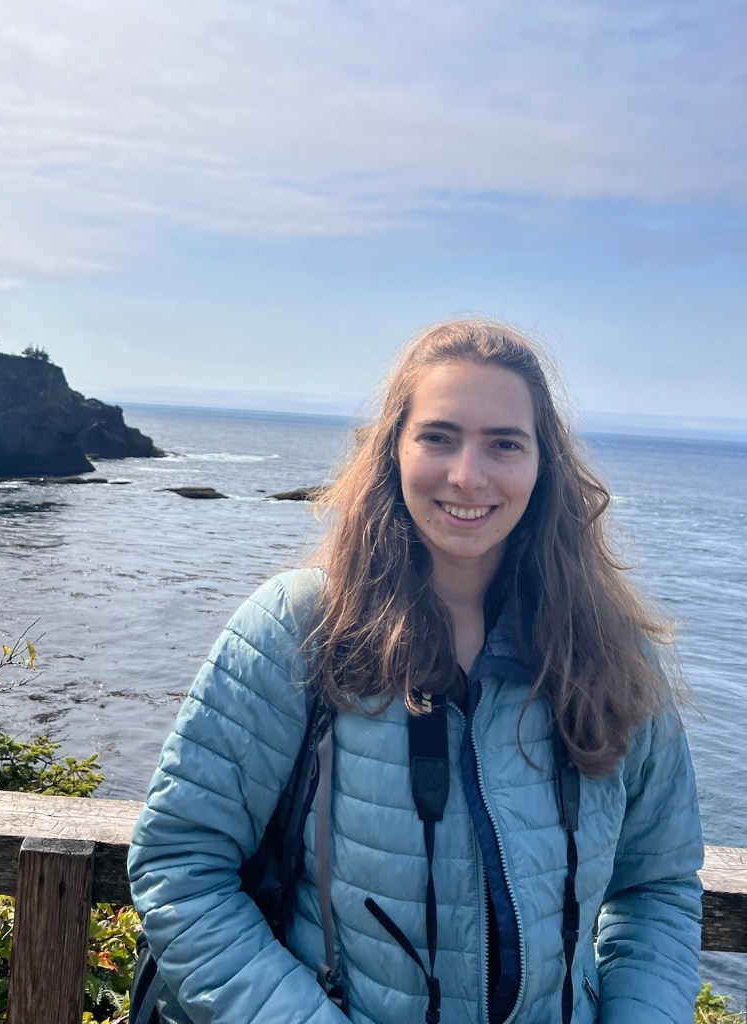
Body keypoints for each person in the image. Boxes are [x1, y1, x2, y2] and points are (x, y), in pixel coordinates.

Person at [128, 319, 703, 1024]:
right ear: (394, 449)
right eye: (438, 436)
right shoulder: (298, 628)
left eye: (504, 443)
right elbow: (181, 865)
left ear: (542, 466)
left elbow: (657, 887)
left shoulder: (612, 654)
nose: (468, 475)